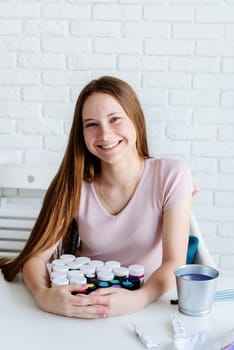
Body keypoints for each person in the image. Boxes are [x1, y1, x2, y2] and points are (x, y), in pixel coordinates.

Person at [0, 76, 198, 319]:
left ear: (135, 119)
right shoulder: (74, 184)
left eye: (115, 119)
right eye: (91, 124)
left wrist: (137, 299)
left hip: (147, 307)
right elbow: (35, 257)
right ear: (81, 133)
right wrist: (43, 296)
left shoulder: (172, 174)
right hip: (81, 305)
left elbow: (173, 263)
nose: (105, 134)